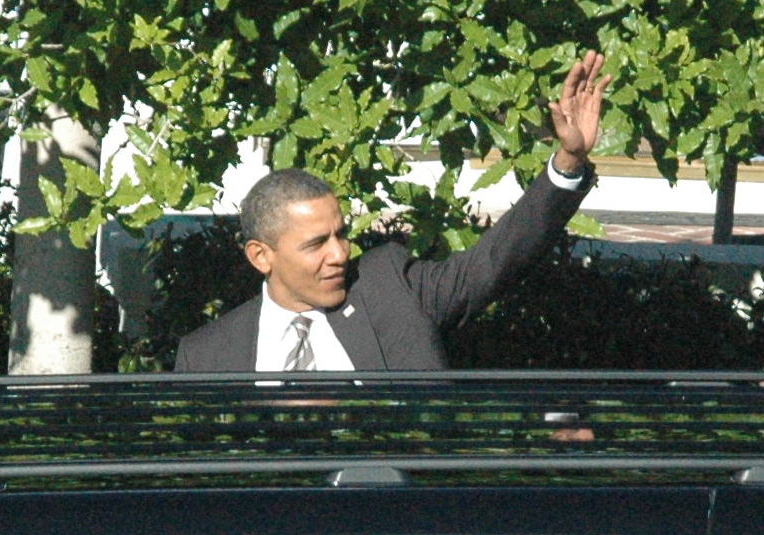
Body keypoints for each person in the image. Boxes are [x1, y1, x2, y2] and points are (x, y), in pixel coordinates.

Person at [174, 50, 612, 374]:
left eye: (340, 234)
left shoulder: (390, 288)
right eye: (315, 244)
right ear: (260, 256)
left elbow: (493, 264)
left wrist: (568, 161)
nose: (339, 254)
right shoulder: (208, 356)